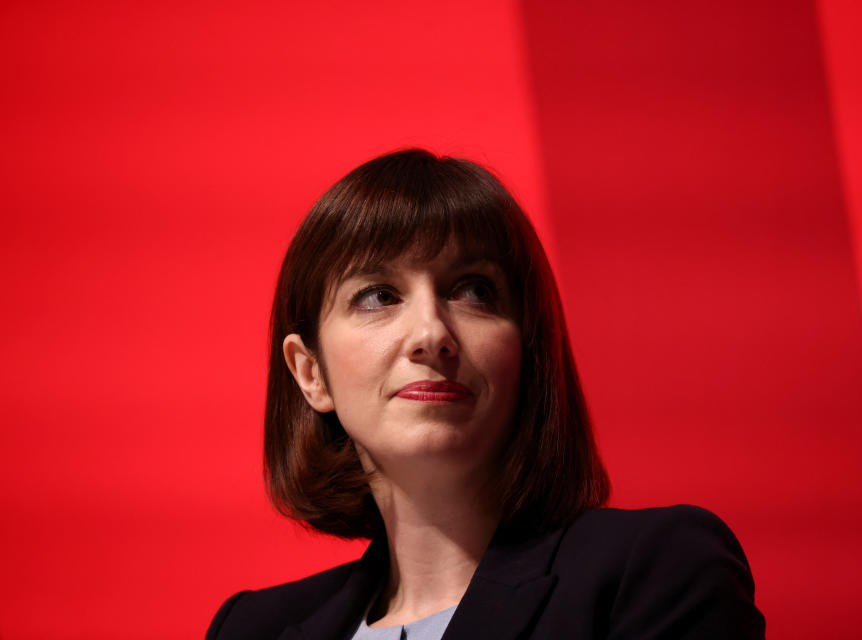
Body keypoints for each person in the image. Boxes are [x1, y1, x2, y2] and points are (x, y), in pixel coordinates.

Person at [206, 149, 765, 640]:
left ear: (528, 348)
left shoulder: (655, 572)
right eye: (378, 296)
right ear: (311, 374)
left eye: (473, 291)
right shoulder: (253, 628)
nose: (431, 334)